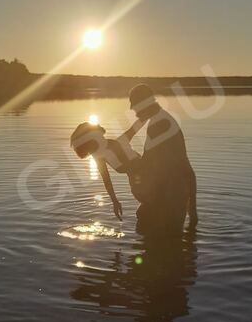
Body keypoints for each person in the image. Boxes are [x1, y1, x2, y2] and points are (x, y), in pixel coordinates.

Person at [128, 83, 198, 231]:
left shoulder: (158, 124)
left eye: (134, 105)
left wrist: (127, 164)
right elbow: (186, 168)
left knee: (159, 241)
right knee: (143, 217)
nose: (132, 110)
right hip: (175, 193)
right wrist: (192, 208)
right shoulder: (162, 119)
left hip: (170, 197)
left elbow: (146, 164)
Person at [70, 119, 155, 220]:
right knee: (143, 214)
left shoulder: (117, 144)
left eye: (89, 147)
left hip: (148, 179)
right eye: (88, 149)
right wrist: (115, 201)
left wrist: (148, 114)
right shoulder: (100, 156)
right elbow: (106, 180)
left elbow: (135, 128)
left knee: (144, 214)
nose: (91, 152)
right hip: (139, 185)